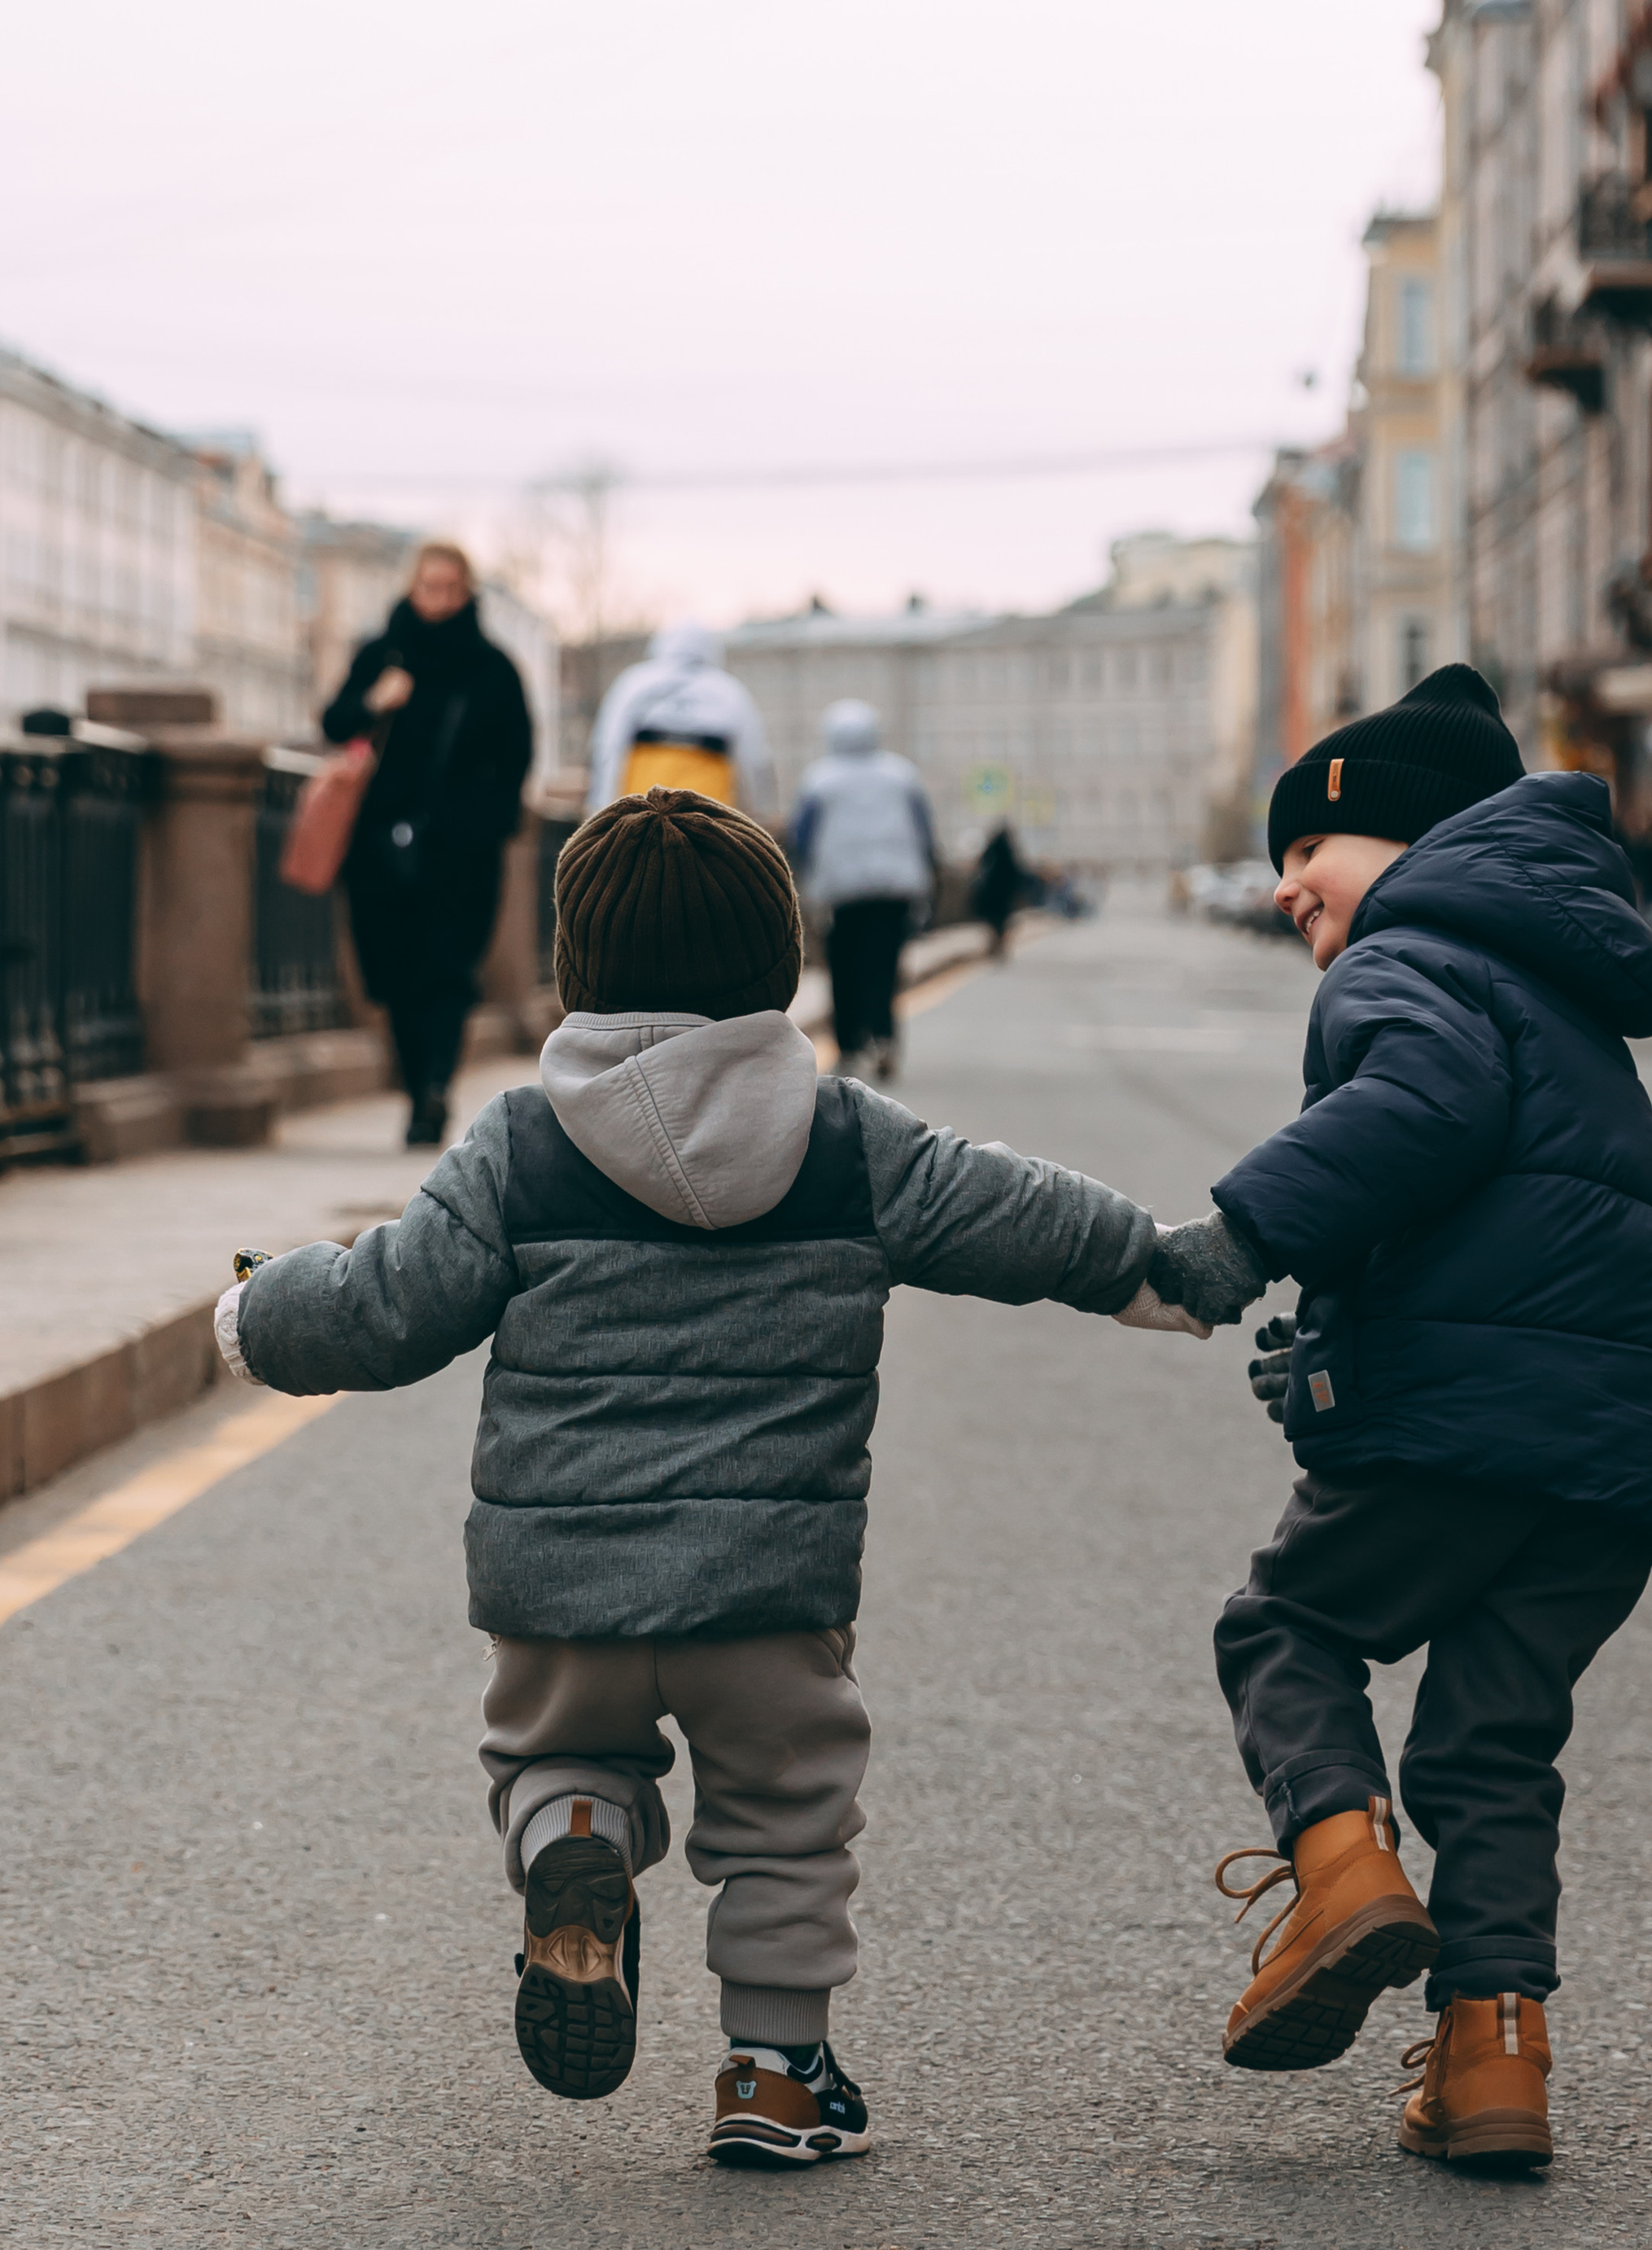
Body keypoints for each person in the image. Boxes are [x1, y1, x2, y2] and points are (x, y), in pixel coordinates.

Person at [213, 786, 1204, 2170]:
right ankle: (777, 2079)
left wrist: (256, 1313)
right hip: (768, 1595)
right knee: (786, 1822)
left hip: (563, 1588)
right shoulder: (849, 1141)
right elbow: (1014, 1212)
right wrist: (1156, 1267)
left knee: (558, 1755)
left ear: (576, 963)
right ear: (780, 957)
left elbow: (384, 1305)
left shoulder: (521, 1146)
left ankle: (575, 1833)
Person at [1142, 665, 1652, 2175]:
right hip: (1614, 1453)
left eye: (1306, 852)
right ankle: (1492, 2060)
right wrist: (1332, 1359)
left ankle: (1342, 1869)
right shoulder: (1549, 980)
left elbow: (1422, 1116)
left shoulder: (1408, 955)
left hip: (1478, 1423)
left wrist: (1240, 1238)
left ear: (1410, 842)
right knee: (1490, 1749)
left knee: (1285, 1628)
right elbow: (1506, 1230)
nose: (1285, 889)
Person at [321, 543, 533, 1149]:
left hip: (461, 854)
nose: (439, 599)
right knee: (392, 972)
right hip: (379, 846)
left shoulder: (492, 667)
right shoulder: (382, 655)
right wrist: (375, 700)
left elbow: (517, 754)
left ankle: (435, 1088)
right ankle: (418, 1086)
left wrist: (484, 823)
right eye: (429, 586)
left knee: (448, 971)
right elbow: (333, 722)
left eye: (451, 588)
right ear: (411, 588)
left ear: (467, 593)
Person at [790, 700, 936, 1082]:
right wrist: (926, 877)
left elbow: (802, 837)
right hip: (895, 889)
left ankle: (849, 1046)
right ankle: (883, 1037)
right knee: (885, 966)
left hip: (842, 892)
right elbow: (923, 830)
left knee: (844, 969)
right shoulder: (902, 774)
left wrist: (802, 881)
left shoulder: (819, 779)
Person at [586, 621, 776, 817]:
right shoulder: (729, 691)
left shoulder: (634, 683)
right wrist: (763, 813)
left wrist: (599, 809)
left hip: (643, 814)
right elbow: (756, 760)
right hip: (707, 817)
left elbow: (607, 748)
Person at [969, 821, 1032, 955]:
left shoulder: (993, 851)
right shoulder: (1010, 854)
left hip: (992, 892)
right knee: (1002, 920)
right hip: (1004, 894)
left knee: (992, 919)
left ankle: (995, 943)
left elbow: (981, 865)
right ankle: (999, 943)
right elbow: (1017, 874)